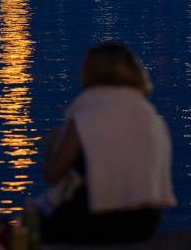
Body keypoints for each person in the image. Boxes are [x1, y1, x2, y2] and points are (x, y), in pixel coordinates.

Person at [41, 42, 177, 244]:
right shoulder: (150, 115)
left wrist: (52, 145)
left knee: (32, 225)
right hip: (146, 222)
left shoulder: (87, 112)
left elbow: (53, 175)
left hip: (97, 219)